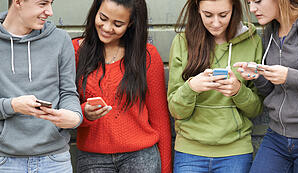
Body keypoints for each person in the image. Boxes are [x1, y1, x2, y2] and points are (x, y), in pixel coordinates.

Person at [72, 0, 172, 172]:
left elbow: (160, 119)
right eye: (103, 18)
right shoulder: (75, 50)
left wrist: (166, 169)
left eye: (118, 24)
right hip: (92, 159)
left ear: (131, 23)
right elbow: (64, 104)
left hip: (141, 158)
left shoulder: (147, 56)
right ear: (95, 11)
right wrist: (84, 113)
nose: (107, 27)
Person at [167, 0, 263, 172]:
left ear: (234, 9)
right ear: (197, 10)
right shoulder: (182, 42)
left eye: (223, 15)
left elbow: (255, 109)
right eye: (208, 15)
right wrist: (191, 88)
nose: (216, 23)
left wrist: (238, 91)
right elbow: (176, 110)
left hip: (235, 151)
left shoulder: (252, 42)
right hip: (190, 151)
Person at [0, 0, 83, 172]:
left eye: (51, 3)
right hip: (5, 161)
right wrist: (13, 105)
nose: (50, 11)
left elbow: (68, 92)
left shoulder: (60, 40)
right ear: (18, 1)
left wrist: (74, 116)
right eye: (42, 3)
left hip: (55, 161)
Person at [234, 0, 298, 172]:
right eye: (249, 2)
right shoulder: (270, 32)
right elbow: (271, 91)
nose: (252, 9)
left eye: (258, 1)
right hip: (276, 136)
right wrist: (259, 76)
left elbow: (288, 78)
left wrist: (290, 76)